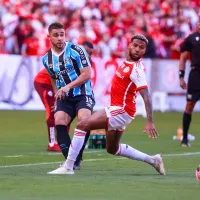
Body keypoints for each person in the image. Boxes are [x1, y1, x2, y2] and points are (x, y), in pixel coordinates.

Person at [48, 34, 166, 175]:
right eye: (135, 46)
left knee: (82, 125)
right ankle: (154, 160)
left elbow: (146, 95)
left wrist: (150, 121)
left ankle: (68, 166)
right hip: (122, 111)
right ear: (129, 45)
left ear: (144, 51)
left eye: (141, 48)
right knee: (112, 148)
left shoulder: (136, 69)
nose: (137, 50)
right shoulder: (127, 63)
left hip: (121, 110)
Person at [42, 22, 95, 171]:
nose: (60, 38)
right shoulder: (47, 59)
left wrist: (67, 86)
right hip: (65, 97)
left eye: (62, 34)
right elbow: (53, 77)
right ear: (49, 37)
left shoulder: (77, 50)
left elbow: (87, 74)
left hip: (83, 93)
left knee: (84, 120)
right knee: (59, 122)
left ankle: (77, 157)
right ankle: (72, 161)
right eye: (56, 35)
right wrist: (56, 94)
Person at [34, 41, 94, 156]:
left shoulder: (82, 60)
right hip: (44, 83)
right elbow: (53, 77)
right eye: (87, 52)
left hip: (63, 88)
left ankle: (64, 142)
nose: (89, 55)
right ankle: (53, 142)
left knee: (67, 114)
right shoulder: (70, 56)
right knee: (53, 111)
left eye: (90, 53)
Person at [179, 20, 200, 147]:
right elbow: (183, 57)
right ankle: (185, 139)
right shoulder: (191, 38)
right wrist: (181, 76)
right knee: (189, 105)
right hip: (196, 75)